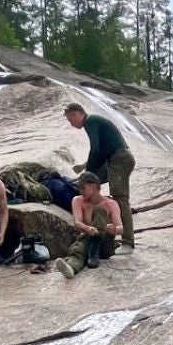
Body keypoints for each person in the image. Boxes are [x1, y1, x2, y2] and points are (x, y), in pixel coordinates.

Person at [63, 101, 135, 250]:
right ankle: (97, 229)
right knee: (92, 185)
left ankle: (127, 241)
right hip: (114, 160)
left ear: (77, 114)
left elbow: (95, 149)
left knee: (120, 198)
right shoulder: (94, 121)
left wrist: (88, 171)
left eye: (71, 120)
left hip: (119, 160)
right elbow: (101, 149)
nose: (71, 124)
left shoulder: (90, 122)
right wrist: (85, 166)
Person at [57, 173, 123, 279]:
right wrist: (87, 228)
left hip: (105, 244)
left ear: (93, 186)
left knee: (99, 210)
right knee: (79, 247)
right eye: (79, 188)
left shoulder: (111, 203)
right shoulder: (77, 200)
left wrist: (113, 230)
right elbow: (77, 223)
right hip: (87, 240)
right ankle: (71, 268)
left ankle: (94, 248)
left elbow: (121, 228)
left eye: (83, 188)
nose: (80, 191)